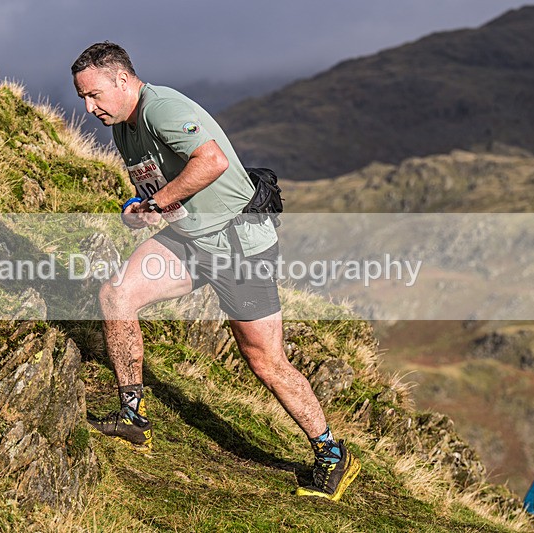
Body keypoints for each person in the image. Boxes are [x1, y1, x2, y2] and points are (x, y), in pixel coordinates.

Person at [71, 41, 360, 501]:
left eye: (94, 95)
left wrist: (158, 204)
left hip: (236, 245)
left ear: (122, 80)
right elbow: (158, 186)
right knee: (116, 294)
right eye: (82, 97)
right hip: (190, 238)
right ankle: (132, 418)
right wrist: (142, 209)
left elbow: (213, 161)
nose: (89, 107)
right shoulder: (122, 126)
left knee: (264, 359)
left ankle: (331, 453)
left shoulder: (161, 109)